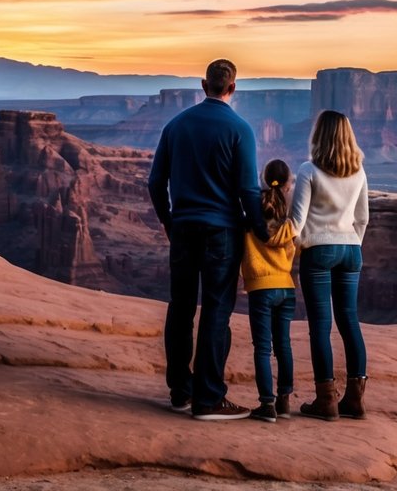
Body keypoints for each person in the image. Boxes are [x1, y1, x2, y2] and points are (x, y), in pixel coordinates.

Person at [148, 57, 269, 421]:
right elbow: (249, 190)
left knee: (181, 307)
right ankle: (209, 398)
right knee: (217, 310)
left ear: (204, 85)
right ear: (232, 88)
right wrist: (262, 230)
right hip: (222, 233)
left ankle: (180, 392)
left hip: (183, 228)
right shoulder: (240, 129)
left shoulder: (176, 125)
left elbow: (156, 183)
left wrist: (168, 222)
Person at [291, 110, 369, 421]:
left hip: (318, 250)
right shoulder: (359, 172)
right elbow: (363, 218)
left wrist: (301, 247)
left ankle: (327, 402)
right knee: (350, 321)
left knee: (320, 327)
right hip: (351, 249)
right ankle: (355, 401)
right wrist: (351, 243)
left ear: (319, 135)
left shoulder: (309, 171)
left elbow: (296, 223)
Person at [241, 158, 297, 423]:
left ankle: (267, 405)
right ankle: (285, 400)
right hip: (286, 288)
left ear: (264, 179)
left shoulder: (251, 217)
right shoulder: (289, 220)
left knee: (263, 348)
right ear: (287, 185)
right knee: (283, 345)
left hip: (261, 288)